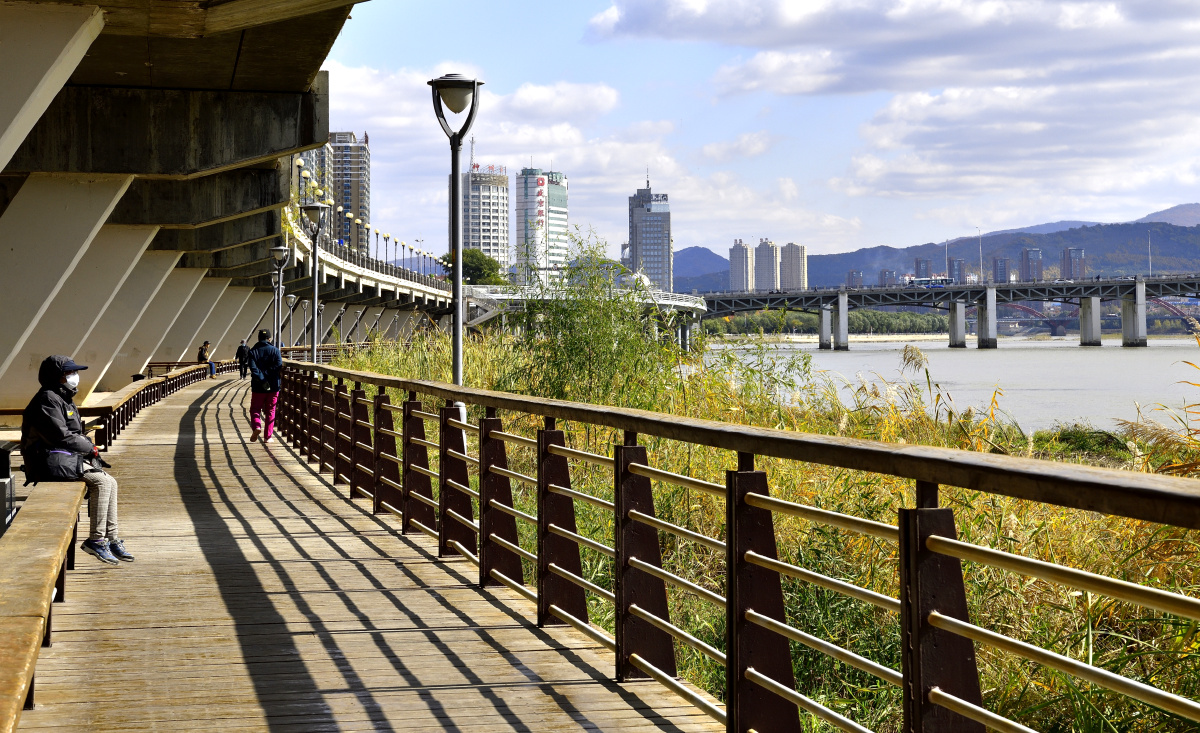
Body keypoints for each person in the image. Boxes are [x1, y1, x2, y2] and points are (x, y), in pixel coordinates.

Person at [21, 356, 133, 565]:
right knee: (101, 482)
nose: (75, 376)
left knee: (111, 481)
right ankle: (96, 540)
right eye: (70, 372)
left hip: (62, 456)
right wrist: (90, 448)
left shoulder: (62, 396)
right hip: (46, 460)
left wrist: (88, 448)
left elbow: (72, 433)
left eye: (75, 372)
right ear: (57, 376)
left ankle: (111, 538)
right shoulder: (47, 399)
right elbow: (60, 436)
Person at [247, 329, 283, 443]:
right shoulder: (275, 350)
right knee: (271, 410)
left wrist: (262, 377)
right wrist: (268, 374)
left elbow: (253, 369)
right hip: (273, 385)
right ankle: (268, 436)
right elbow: (279, 365)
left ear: (258, 338)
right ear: (269, 339)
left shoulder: (252, 351)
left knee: (255, 409)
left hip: (258, 385)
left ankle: (257, 426)